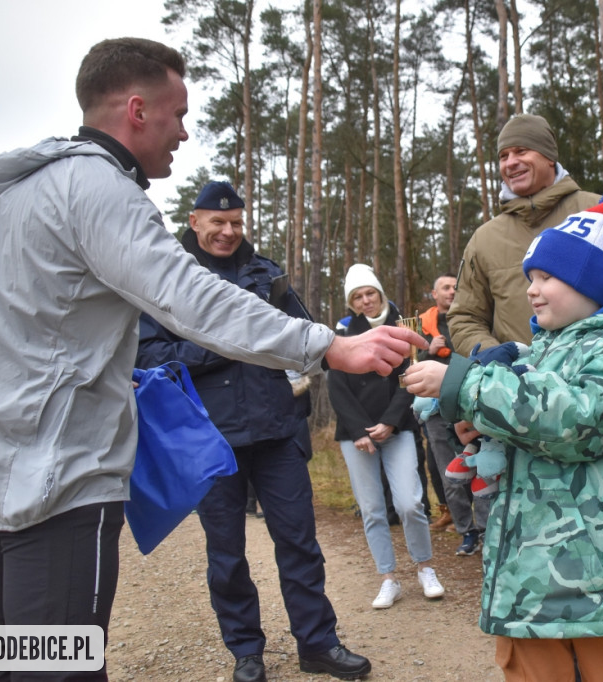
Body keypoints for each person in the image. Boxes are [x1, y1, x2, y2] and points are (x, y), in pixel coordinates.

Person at [0, 38, 422, 681]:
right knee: (61, 663)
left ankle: (316, 640)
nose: (186, 131)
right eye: (178, 113)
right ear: (137, 110)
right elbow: (191, 299)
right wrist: (329, 344)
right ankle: (245, 652)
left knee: (12, 653)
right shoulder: (96, 187)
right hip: (54, 479)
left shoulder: (11, 197)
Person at [447, 113, 603, 682]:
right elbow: (463, 314)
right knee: (534, 535)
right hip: (513, 407)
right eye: (503, 153)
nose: (512, 162)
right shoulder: (486, 237)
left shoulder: (595, 211)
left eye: (523, 151)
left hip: (595, 400)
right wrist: (497, 367)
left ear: (549, 153)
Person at [404, 187, 603, 682]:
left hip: (601, 594)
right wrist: (475, 418)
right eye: (530, 277)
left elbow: (581, 421)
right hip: (527, 585)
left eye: (547, 276)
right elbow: (522, 418)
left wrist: (466, 384)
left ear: (590, 282)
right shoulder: (535, 351)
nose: (531, 289)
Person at [134, 181, 369, 682]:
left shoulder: (268, 276)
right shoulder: (168, 279)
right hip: (209, 441)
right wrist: (227, 344)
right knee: (227, 554)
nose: (227, 231)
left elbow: (307, 339)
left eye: (236, 222)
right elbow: (149, 358)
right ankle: (246, 651)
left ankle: (318, 643)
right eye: (216, 222)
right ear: (194, 222)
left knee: (300, 543)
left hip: (277, 432)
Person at [327, 264, 446, 610]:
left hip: (398, 428)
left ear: (380, 293)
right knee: (373, 509)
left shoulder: (402, 327)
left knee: (410, 502)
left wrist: (391, 423)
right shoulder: (344, 333)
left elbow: (410, 378)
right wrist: (359, 430)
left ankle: (425, 568)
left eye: (370, 293)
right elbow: (337, 388)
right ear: (352, 302)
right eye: (358, 297)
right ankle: (388, 578)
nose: (366, 301)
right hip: (357, 435)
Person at [417, 273, 490, 555]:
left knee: (481, 466)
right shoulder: (422, 328)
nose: (452, 291)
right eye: (445, 287)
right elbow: (408, 367)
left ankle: (485, 531)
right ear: (434, 294)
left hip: (470, 403)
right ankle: (466, 532)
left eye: (455, 287)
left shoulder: (472, 319)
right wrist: (427, 353)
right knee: (450, 473)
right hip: (435, 408)